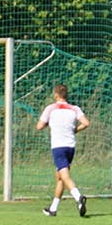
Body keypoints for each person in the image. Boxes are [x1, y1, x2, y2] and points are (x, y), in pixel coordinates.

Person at [36, 83, 89, 217]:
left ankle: (78, 197)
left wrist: (49, 123)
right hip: (70, 146)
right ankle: (53, 208)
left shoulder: (51, 108)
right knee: (60, 177)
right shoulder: (74, 108)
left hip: (58, 146)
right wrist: (75, 130)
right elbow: (86, 123)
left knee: (65, 176)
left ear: (55, 95)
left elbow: (39, 126)